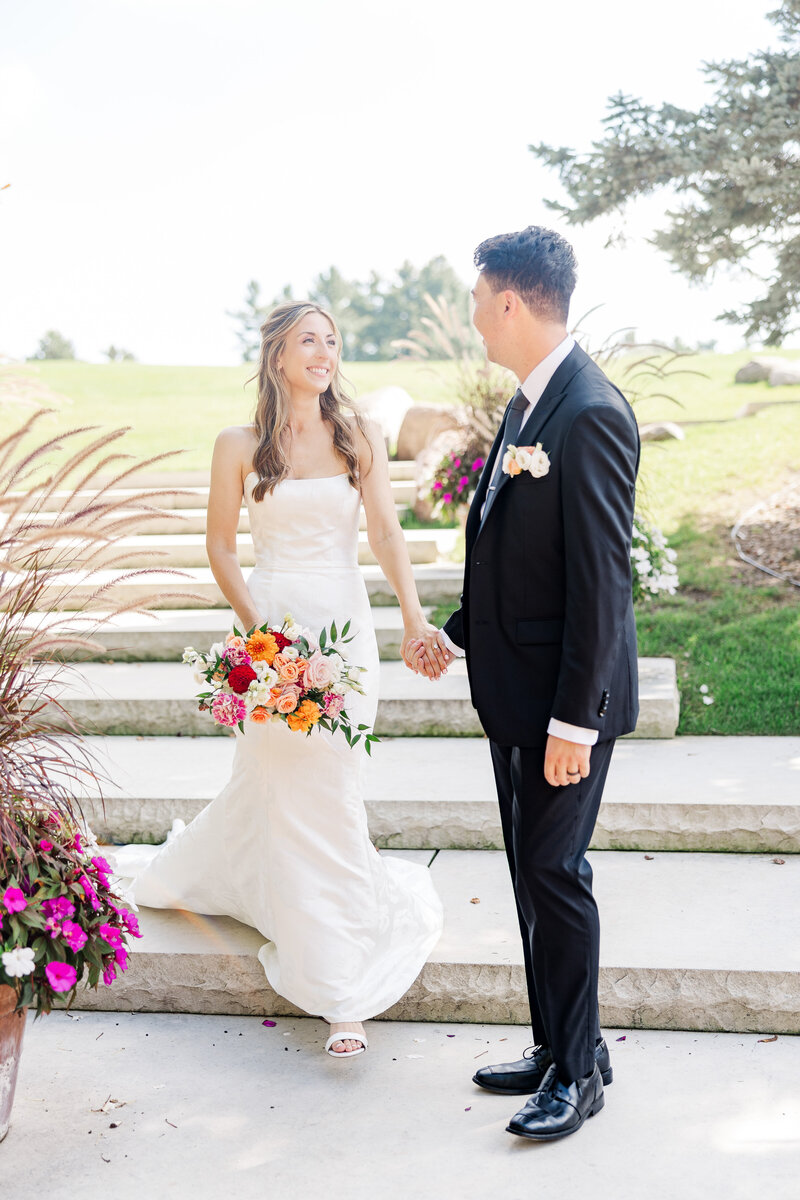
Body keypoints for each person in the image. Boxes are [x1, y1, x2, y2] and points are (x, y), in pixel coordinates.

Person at [127, 301, 444, 1057]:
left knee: (330, 786)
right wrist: (259, 632)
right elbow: (220, 546)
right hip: (270, 633)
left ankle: (341, 990)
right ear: (276, 356)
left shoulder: (357, 434)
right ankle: (296, 927)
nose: (325, 352)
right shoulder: (236, 443)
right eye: (310, 340)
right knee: (275, 778)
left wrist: (412, 617)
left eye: (332, 341)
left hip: (345, 630)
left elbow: (385, 534)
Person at [407, 226, 640, 1140]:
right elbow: (519, 562)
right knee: (529, 874)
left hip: (562, 709)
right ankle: (556, 1045)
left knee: (554, 872)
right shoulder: (527, 405)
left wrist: (573, 726)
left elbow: (598, 586)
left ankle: (580, 1073)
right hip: (514, 692)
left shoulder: (589, 412)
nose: (471, 317)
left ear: (509, 302)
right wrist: (458, 637)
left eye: (476, 300)